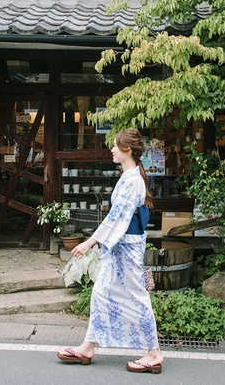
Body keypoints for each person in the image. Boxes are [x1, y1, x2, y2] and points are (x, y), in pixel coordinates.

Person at [57, 128, 164, 374]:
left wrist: (89, 242)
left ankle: (154, 352)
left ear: (127, 150)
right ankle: (87, 347)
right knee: (101, 292)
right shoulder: (129, 176)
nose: (112, 149)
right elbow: (117, 219)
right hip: (121, 247)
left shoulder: (133, 180)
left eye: (115, 146)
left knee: (137, 297)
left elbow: (118, 218)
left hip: (127, 248)